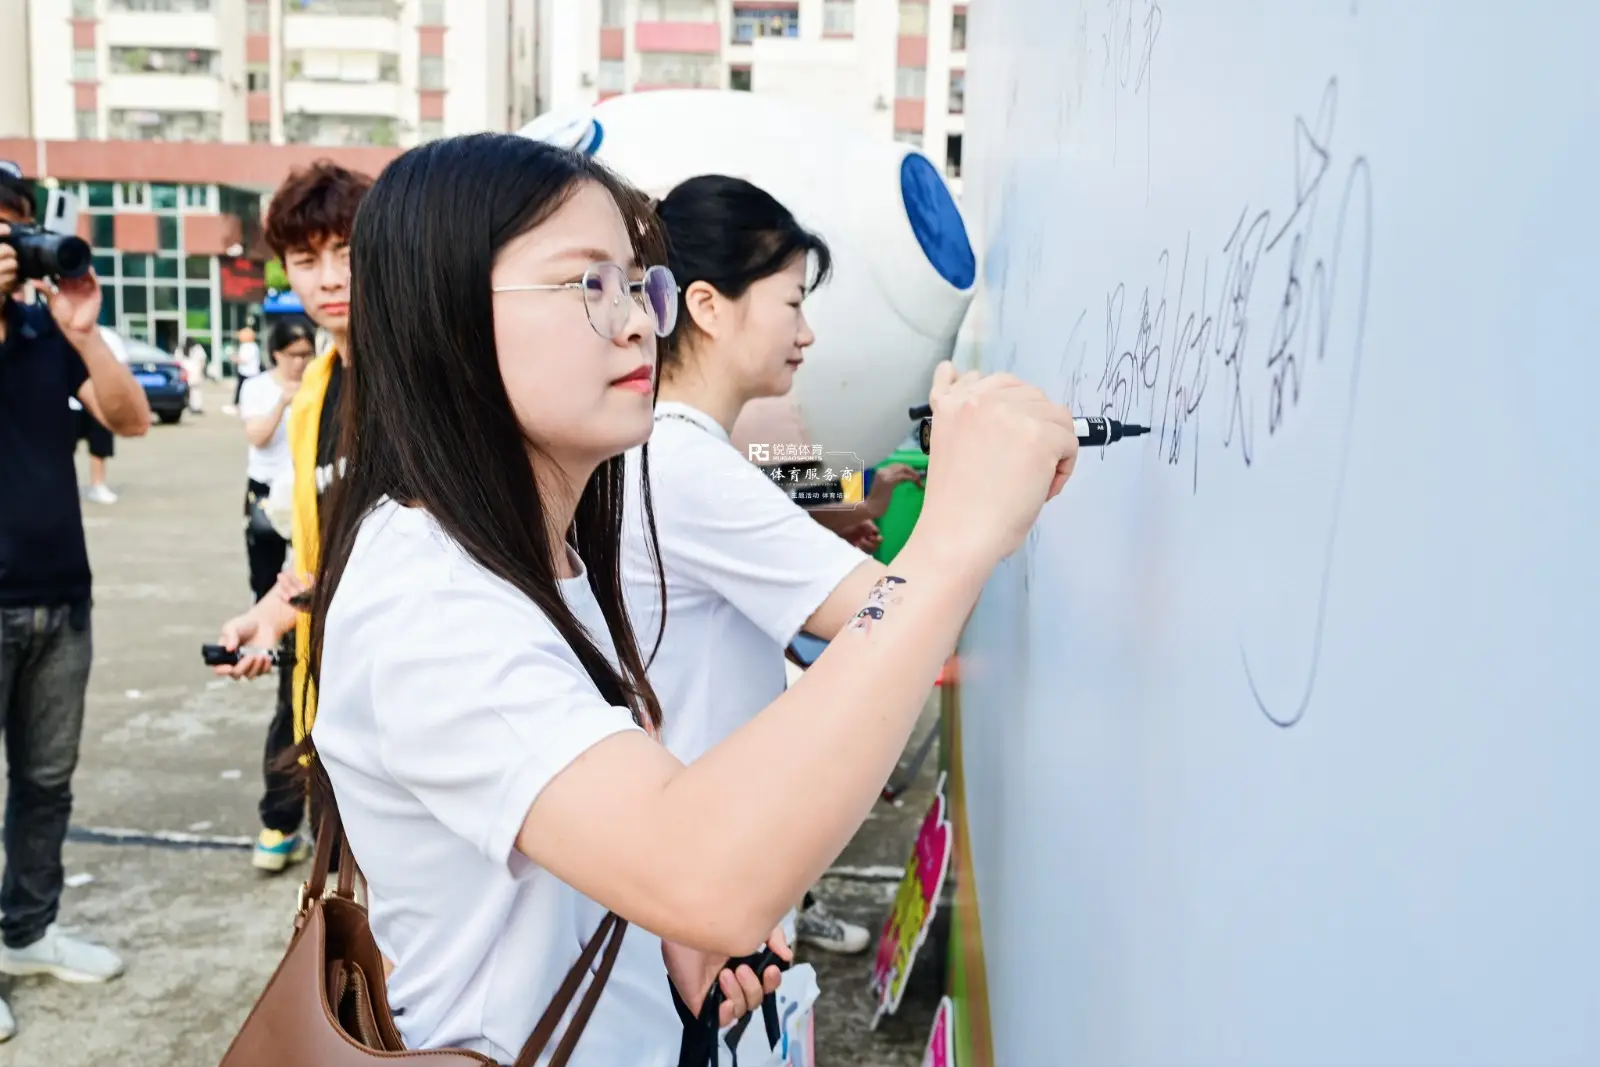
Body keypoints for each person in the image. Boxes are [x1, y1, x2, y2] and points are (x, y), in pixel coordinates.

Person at [296, 134, 1077, 1062]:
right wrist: (952, 534)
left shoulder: (540, 552)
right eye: (589, 285)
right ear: (447, 314)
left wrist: (645, 920)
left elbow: (597, 837)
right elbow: (703, 870)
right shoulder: (435, 601)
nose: (638, 322)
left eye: (638, 285)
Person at [619, 175, 919, 958]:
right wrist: (974, 496)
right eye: (792, 302)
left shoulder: (657, 444)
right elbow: (900, 616)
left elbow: (781, 495)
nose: (806, 333)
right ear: (709, 306)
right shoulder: (688, 462)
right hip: (700, 883)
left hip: (678, 860)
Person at [0, 162, 151, 1042]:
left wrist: (86, 336)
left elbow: (128, 419)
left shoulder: (44, 330)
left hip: (62, 597)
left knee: (46, 781)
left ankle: (26, 930)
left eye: (17, 228)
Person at [210, 160, 372, 778]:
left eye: (346, 254)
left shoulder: (423, 384)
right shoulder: (313, 395)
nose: (329, 278)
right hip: (330, 698)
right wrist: (268, 618)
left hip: (412, 699)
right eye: (306, 260)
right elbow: (317, 556)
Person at [238, 315, 317, 872]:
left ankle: (333, 841)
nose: (300, 361)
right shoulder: (278, 391)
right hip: (285, 532)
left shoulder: (342, 383)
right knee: (294, 693)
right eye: (292, 353)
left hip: (338, 561)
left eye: (306, 352)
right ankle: (281, 823)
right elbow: (258, 437)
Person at [68, 325, 131, 505]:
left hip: (100, 401)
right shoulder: (61, 333)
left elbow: (122, 367)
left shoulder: (109, 337)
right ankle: (62, 486)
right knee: (62, 448)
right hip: (68, 403)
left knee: (100, 445)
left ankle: (98, 485)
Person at [229, 325, 263, 413]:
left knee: (244, 390)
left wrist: (235, 358)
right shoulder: (249, 346)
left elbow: (245, 359)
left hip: (249, 373)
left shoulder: (249, 346)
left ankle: (240, 405)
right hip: (245, 372)